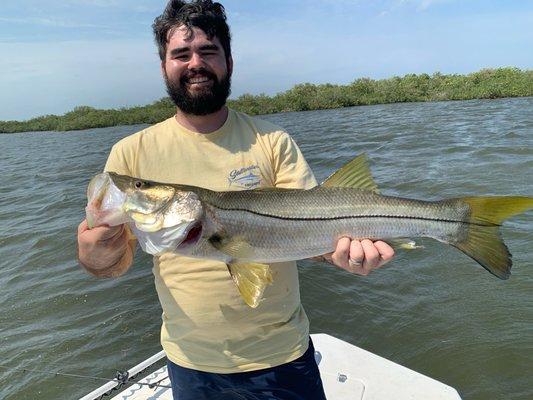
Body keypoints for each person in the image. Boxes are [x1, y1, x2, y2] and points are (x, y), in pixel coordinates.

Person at [77, 1, 394, 399]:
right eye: (181, 54)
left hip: (282, 357)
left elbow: (313, 236)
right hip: (191, 364)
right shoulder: (130, 153)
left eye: (208, 51)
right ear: (163, 66)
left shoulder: (272, 141)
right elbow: (110, 266)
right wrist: (98, 249)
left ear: (229, 61)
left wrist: (344, 255)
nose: (195, 62)